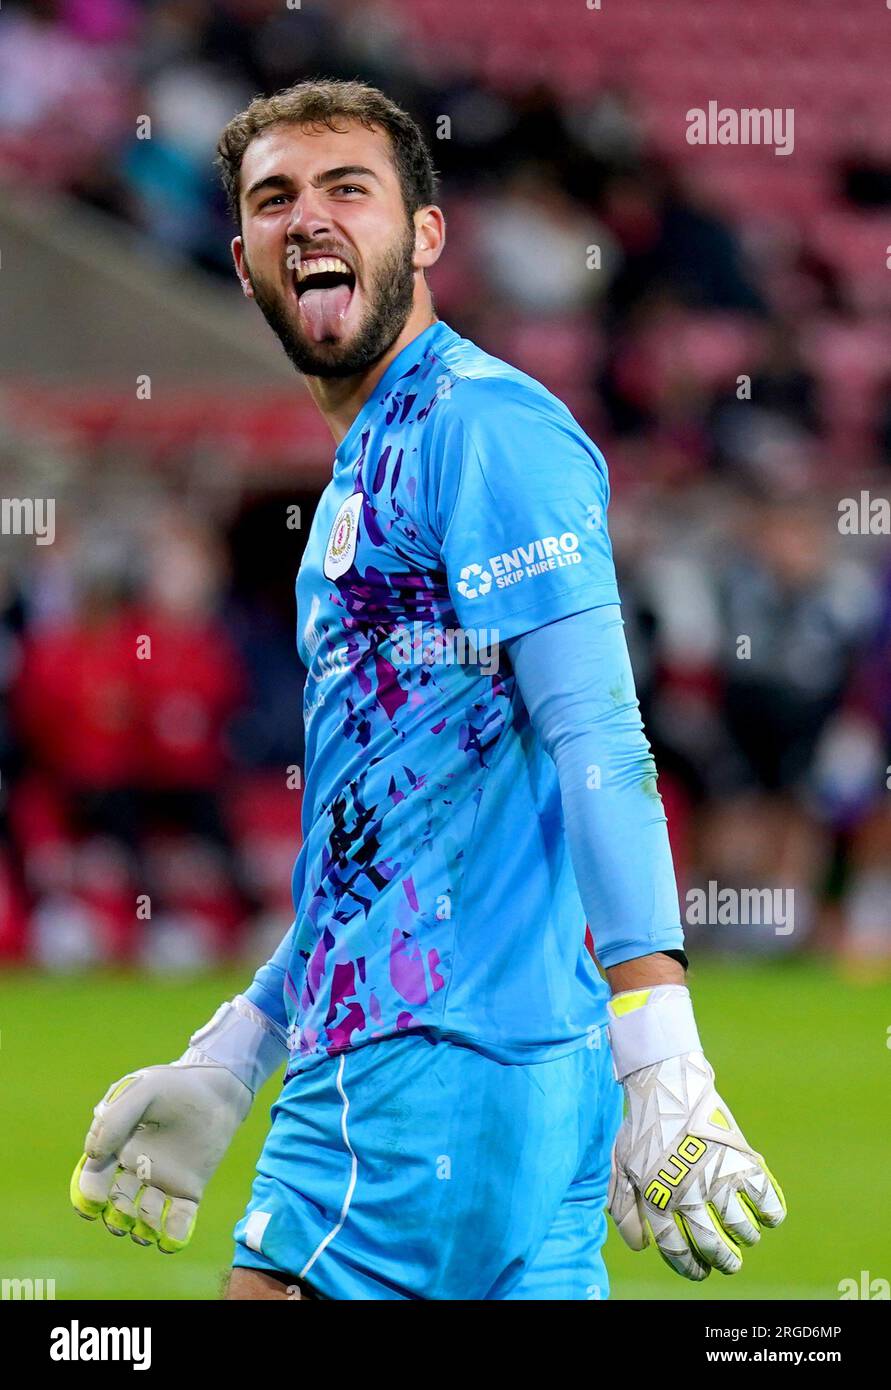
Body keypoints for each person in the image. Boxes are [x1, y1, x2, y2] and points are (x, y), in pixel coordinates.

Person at [70, 79, 785, 1301]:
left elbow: (598, 732)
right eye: (274, 200)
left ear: (428, 234)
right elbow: (388, 844)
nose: (309, 219)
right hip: (502, 1069)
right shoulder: (362, 478)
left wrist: (661, 1048)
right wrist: (242, 1046)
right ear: (241, 260)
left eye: (349, 189)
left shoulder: (486, 429)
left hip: (412, 1069)